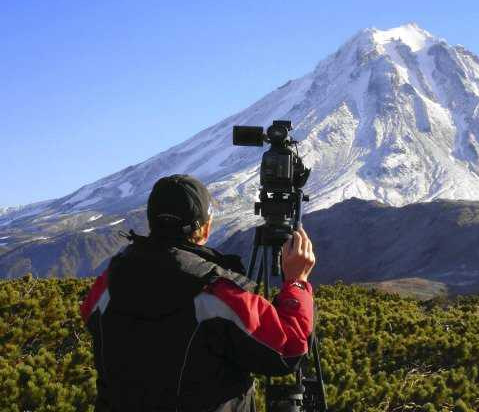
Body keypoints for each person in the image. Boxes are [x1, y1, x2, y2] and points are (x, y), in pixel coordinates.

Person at [80, 174, 316, 412]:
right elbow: (288, 349)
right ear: (205, 228)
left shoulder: (109, 282)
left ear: (152, 222)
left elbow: (90, 314)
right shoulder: (216, 292)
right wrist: (297, 282)